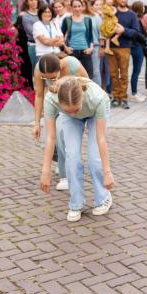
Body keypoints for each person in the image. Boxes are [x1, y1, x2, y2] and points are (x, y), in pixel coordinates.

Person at [39, 76, 114, 222]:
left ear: (82, 99)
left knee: (94, 158)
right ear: (59, 103)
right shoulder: (51, 99)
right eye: (68, 110)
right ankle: (76, 203)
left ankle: (103, 197)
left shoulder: (97, 98)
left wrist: (107, 172)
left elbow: (101, 139)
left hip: (94, 114)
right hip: (71, 118)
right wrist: (45, 171)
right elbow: (50, 137)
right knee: (72, 156)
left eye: (76, 109)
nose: (73, 113)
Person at [32, 54, 89, 192]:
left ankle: (66, 176)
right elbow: (39, 95)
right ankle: (63, 161)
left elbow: (88, 87)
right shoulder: (39, 70)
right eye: (47, 78)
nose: (50, 80)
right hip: (53, 106)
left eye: (52, 77)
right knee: (47, 143)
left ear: (60, 67)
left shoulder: (73, 65)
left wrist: (86, 117)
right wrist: (36, 122)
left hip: (70, 107)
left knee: (62, 137)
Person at [107, 0, 142, 109]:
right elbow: (106, 27)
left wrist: (124, 30)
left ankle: (124, 97)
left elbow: (136, 32)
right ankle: (116, 97)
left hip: (125, 47)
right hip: (111, 47)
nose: (123, 0)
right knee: (113, 74)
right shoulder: (112, 13)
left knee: (124, 74)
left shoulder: (132, 15)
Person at [60, 0, 96, 80]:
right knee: (72, 76)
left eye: (79, 6)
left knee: (88, 76)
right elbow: (61, 35)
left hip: (85, 50)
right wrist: (66, 48)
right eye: (75, 6)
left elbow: (90, 36)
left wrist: (91, 48)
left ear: (82, 7)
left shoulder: (88, 20)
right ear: (71, 8)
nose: (77, 8)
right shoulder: (67, 20)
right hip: (72, 51)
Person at [128, 1, 147, 103]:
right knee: (136, 70)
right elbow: (138, 34)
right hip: (137, 46)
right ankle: (134, 93)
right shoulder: (136, 19)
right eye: (143, 6)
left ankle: (134, 92)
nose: (144, 8)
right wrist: (146, 40)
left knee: (135, 70)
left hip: (134, 45)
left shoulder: (134, 18)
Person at [19, 0, 41, 81]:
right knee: (37, 71)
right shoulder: (26, 16)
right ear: (27, 2)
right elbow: (32, 33)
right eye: (31, 0)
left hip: (46, 45)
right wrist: (46, 37)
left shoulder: (42, 13)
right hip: (34, 46)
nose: (33, 2)